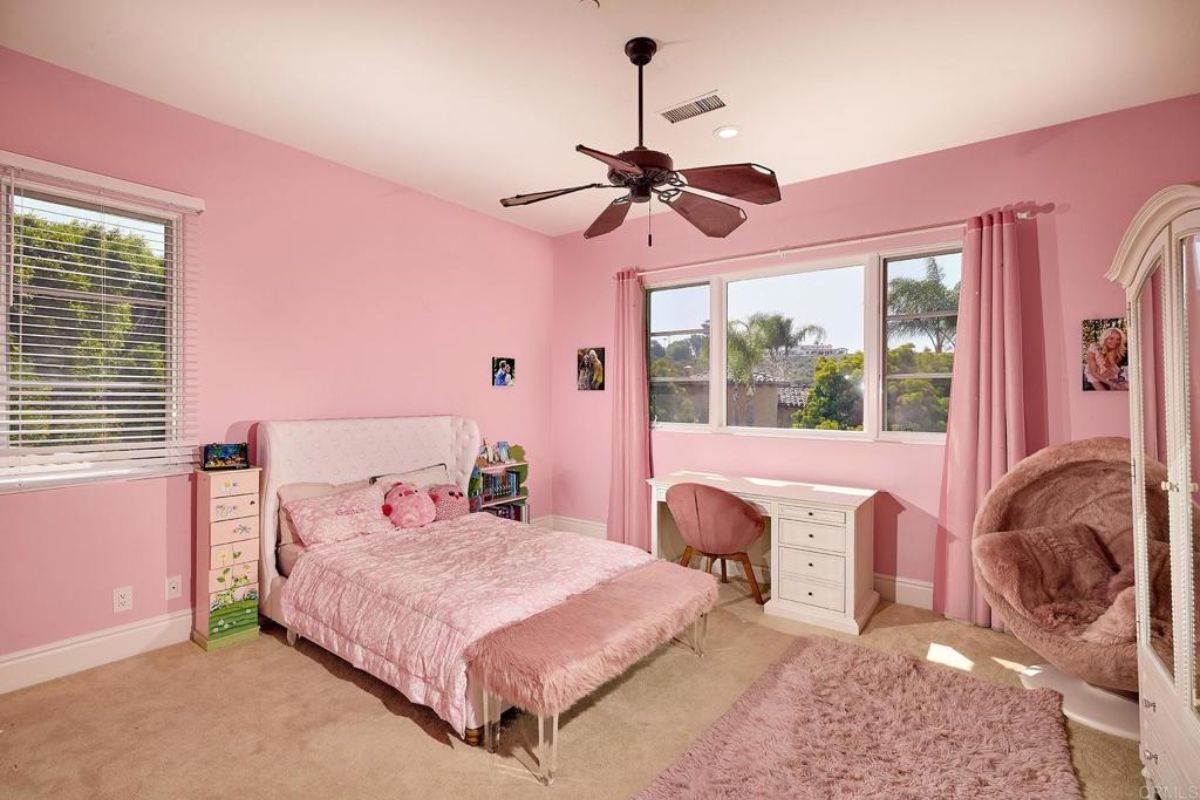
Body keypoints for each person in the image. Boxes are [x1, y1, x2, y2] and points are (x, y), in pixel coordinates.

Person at [1084, 326, 1127, 391]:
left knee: (1120, 388)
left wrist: (1111, 357)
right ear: (1105, 338)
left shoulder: (1116, 350)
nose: (1115, 342)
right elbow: (1093, 372)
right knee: (1102, 391)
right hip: (1094, 373)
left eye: (1118, 339)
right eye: (1111, 338)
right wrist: (1113, 384)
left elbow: (1112, 368)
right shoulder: (1094, 348)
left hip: (1107, 372)